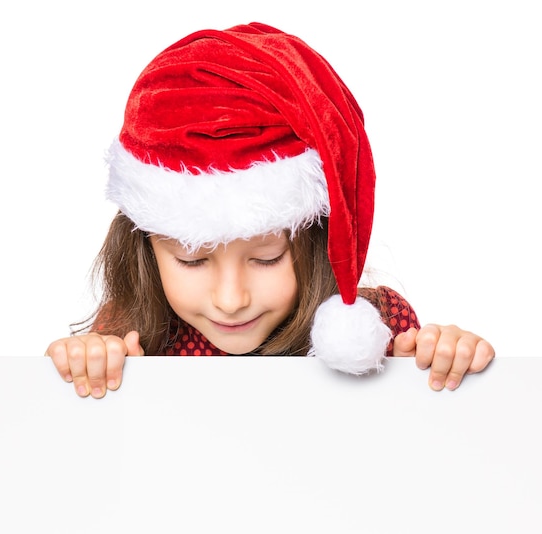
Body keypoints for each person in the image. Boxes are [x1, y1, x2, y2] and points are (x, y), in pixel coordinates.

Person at [46, 22, 494, 398]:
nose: (231, 299)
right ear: (145, 247)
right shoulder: (128, 332)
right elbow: (57, 419)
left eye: (266, 258)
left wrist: (449, 357)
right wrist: (76, 365)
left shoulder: (379, 328)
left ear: (318, 239)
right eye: (192, 260)